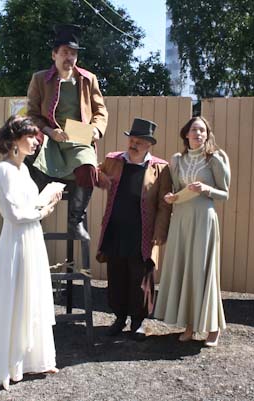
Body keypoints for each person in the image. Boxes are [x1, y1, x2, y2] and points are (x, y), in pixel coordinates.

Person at [0, 116, 63, 390]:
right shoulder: (3, 171)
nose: (36, 141)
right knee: (16, 298)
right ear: (13, 140)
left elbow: (28, 206)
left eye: (36, 136)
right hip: (16, 241)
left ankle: (35, 359)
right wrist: (44, 210)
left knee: (33, 297)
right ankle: (8, 365)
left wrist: (47, 198)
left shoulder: (24, 170)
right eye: (30, 136)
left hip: (32, 238)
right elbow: (14, 215)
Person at [26, 24, 108, 241]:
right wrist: (49, 131)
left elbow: (100, 111)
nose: (69, 57)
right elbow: (32, 114)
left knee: (88, 166)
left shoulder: (88, 79)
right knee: (32, 157)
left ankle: (76, 221)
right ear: (54, 55)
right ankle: (35, 217)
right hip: (49, 139)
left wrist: (96, 129)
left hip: (78, 139)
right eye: (64, 52)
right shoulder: (39, 79)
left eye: (73, 53)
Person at [154, 116, 231, 347]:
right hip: (181, 219)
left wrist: (206, 188)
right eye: (194, 130)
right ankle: (189, 325)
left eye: (202, 130)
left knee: (203, 270)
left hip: (203, 219)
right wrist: (171, 197)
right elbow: (177, 191)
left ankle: (213, 328)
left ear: (207, 134)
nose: (198, 133)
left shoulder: (215, 158)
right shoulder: (177, 160)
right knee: (186, 269)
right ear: (186, 134)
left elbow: (225, 193)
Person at [96, 118, 172, 340]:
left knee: (141, 280)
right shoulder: (113, 160)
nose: (134, 144)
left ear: (149, 144)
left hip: (142, 233)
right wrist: (101, 177)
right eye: (132, 140)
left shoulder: (160, 168)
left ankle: (138, 322)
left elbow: (164, 204)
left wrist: (160, 232)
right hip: (115, 229)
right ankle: (119, 318)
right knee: (116, 276)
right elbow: (96, 174)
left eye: (139, 142)